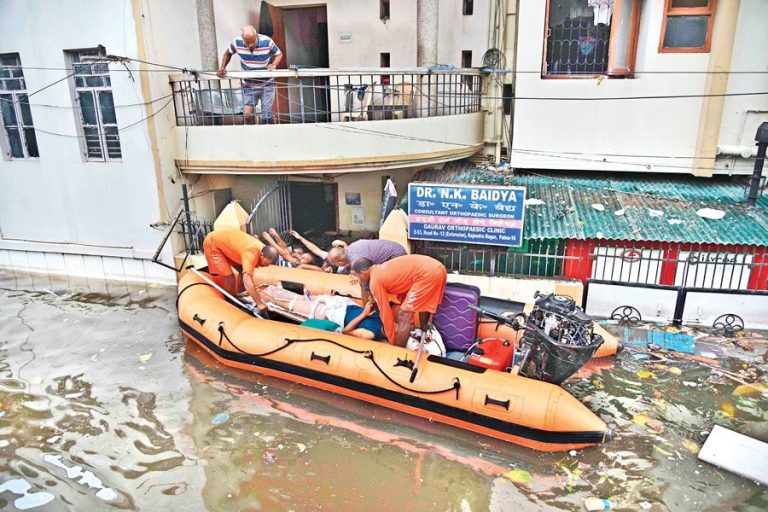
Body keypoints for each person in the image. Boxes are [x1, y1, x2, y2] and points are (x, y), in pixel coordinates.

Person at [352, 255, 447, 347]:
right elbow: (404, 291)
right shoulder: (380, 269)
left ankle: (399, 349)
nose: (359, 281)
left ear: (362, 273)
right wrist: (411, 326)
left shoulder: (374, 281)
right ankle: (424, 331)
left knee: (403, 315)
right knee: (423, 305)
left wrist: (393, 340)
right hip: (438, 268)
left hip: (427, 274)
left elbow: (385, 312)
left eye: (357, 276)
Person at [255, 285, 383, 340]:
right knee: (305, 298)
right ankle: (273, 291)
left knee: (295, 305)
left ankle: (268, 299)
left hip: (331, 314)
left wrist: (363, 314)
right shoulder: (383, 317)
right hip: (341, 304)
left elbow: (345, 332)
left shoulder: (370, 334)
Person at [217, 25, 283, 124]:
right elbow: (227, 53)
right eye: (247, 43)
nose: (250, 45)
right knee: (247, 116)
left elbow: (279, 54)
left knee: (267, 116)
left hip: (267, 84)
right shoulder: (237, 42)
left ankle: (269, 134)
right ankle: (252, 134)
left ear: (256, 36)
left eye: (252, 42)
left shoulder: (267, 41)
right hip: (249, 84)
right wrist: (222, 67)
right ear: (242, 39)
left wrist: (273, 65)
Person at [202, 229, 279, 313]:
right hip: (213, 244)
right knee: (230, 278)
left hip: (228, 245)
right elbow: (247, 279)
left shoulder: (263, 249)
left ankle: (241, 295)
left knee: (242, 270)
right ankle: (230, 305)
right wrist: (259, 303)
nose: (265, 266)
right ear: (262, 255)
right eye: (265, 263)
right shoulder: (251, 253)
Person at [326, 239, 407, 275]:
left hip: (396, 257)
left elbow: (367, 276)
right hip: (397, 248)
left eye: (335, 264)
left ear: (340, 262)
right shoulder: (353, 246)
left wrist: (357, 276)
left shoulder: (357, 261)